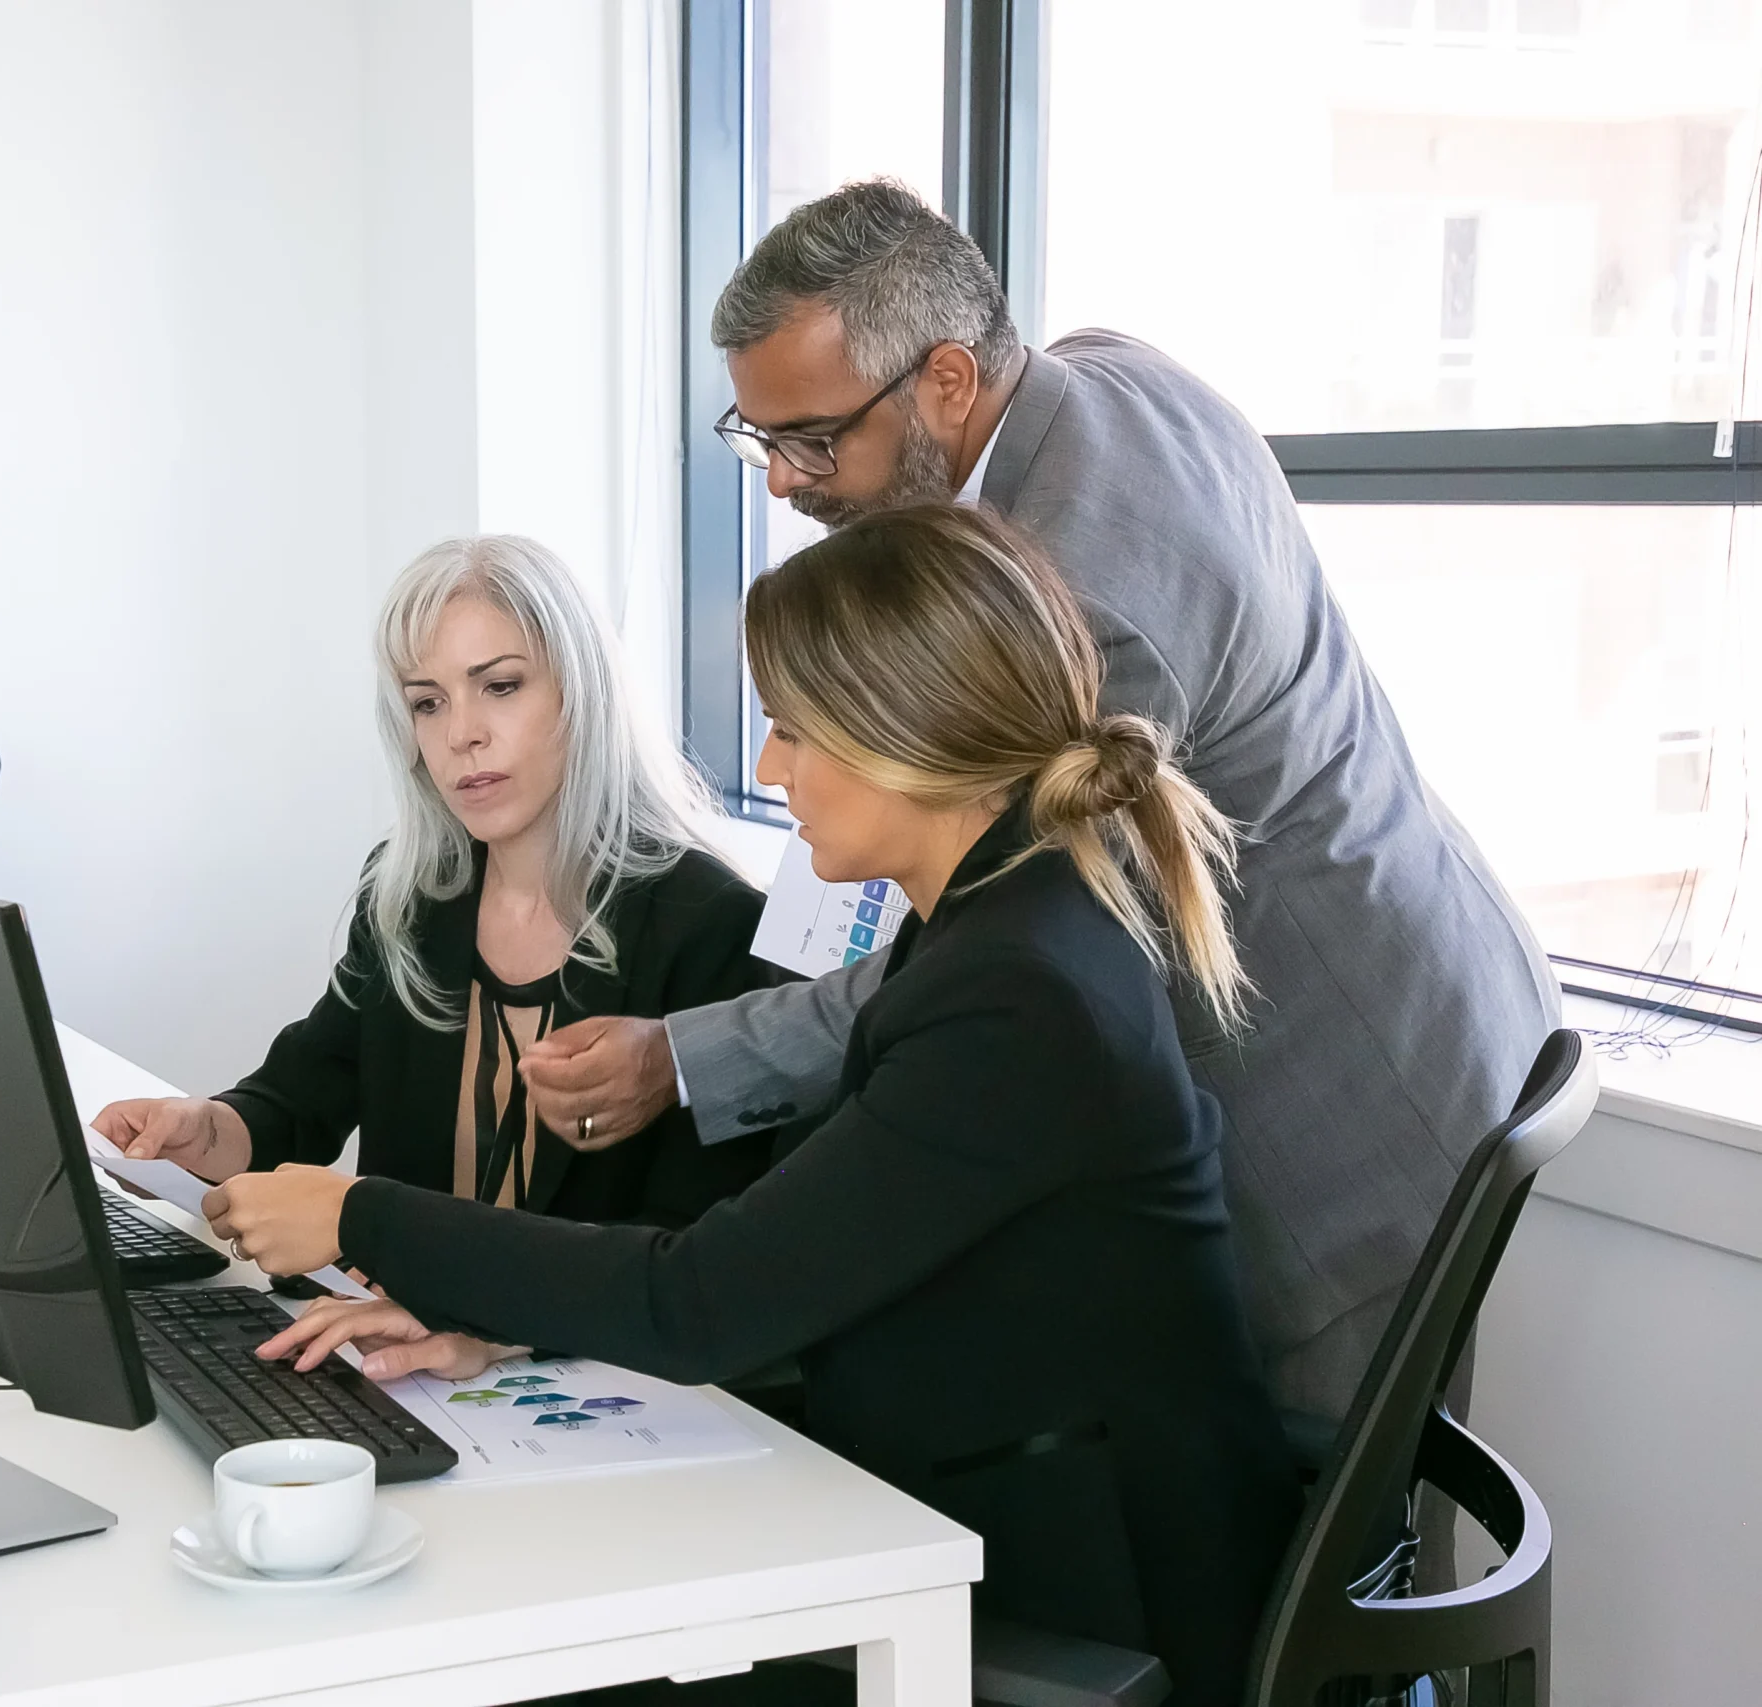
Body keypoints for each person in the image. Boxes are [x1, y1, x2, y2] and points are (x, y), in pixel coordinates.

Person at [209, 506, 1303, 1707]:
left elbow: (699, 1300)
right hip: (993, 1493)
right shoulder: (1002, 922)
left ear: (908, 732)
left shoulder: (1014, 997)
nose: (771, 771)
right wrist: (498, 1323)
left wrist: (359, 1215)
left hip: (1090, 1595)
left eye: (791, 731)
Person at [516, 179, 1559, 1424]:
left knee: (1320, 1560)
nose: (784, 484)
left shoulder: (1089, 612)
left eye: (812, 439)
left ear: (947, 382)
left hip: (1348, 1096)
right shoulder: (1099, 375)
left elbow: (1001, 950)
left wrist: (685, 1060)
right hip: (1428, 963)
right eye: (759, 441)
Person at [90, 534, 783, 1286]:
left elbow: (690, 1244)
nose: (461, 735)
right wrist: (204, 1129)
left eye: (501, 685)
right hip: (388, 1358)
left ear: (582, 691)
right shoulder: (410, 893)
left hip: (577, 1376)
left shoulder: (713, 924)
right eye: (428, 701)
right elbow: (299, 1099)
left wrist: (473, 1314)